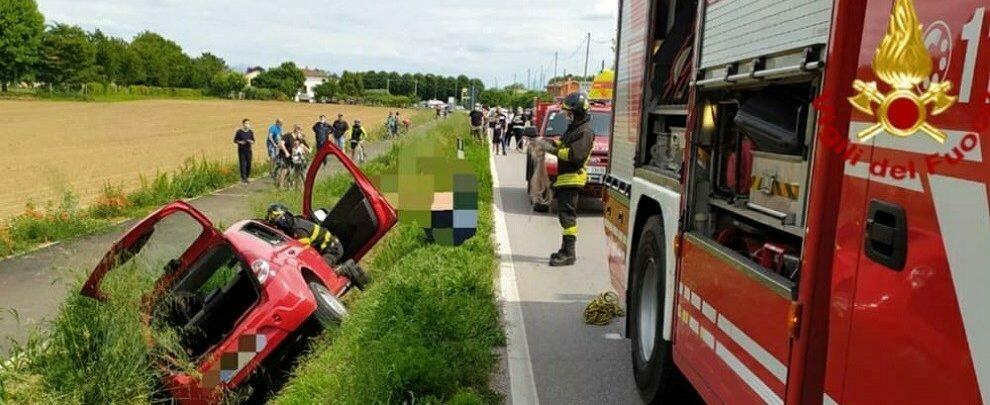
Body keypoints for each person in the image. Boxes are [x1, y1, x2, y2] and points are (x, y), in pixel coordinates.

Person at [531, 91, 594, 266]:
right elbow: (563, 144)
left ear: (578, 113)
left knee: (567, 217)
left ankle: (569, 253)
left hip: (573, 178)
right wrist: (543, 142)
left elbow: (575, 155)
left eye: (570, 113)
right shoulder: (575, 129)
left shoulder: (585, 132)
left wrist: (552, 150)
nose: (567, 115)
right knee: (564, 216)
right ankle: (565, 250)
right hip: (566, 178)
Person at [233, 118, 255, 183]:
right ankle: (243, 178)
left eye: (248, 123)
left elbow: (253, 140)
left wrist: (251, 141)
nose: (247, 125)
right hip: (241, 150)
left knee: (249, 163)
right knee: (243, 164)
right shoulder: (239, 132)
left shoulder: (250, 132)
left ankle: (247, 176)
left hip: (248, 150)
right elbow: (235, 140)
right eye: (246, 123)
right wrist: (240, 142)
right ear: (243, 124)